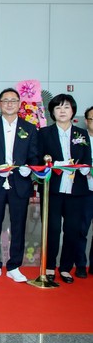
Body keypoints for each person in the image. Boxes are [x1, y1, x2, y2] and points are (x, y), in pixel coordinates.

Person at [0, 88, 38, 283]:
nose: (9, 104)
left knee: (19, 225)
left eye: (13, 100)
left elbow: (35, 156)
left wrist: (29, 168)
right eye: (5, 100)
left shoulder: (29, 128)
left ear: (19, 104)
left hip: (19, 182)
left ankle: (14, 265)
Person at [37, 94, 91, 284]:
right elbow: (38, 159)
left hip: (77, 190)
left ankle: (66, 267)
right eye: (58, 107)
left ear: (73, 111)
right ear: (52, 112)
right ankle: (50, 266)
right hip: (52, 189)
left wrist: (85, 167)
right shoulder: (44, 133)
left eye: (66, 107)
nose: (62, 111)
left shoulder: (81, 134)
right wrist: (55, 164)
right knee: (52, 229)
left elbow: (87, 158)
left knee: (73, 230)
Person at [81, 106, 93, 276]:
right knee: (81, 229)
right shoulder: (80, 139)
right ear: (86, 121)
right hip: (85, 190)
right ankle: (80, 264)